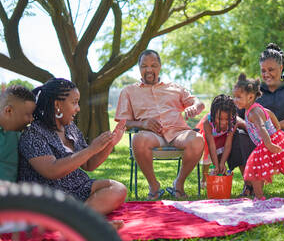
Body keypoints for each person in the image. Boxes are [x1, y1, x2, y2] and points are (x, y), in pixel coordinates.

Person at [18, 78, 127, 228]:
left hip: (77, 189)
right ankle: (85, 223)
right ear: (57, 105)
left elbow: (89, 164)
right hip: (49, 196)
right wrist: (91, 149)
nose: (78, 108)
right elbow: (52, 170)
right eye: (74, 102)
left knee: (118, 189)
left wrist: (110, 144)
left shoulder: (70, 129)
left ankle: (79, 220)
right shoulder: (33, 134)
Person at [115, 49, 205, 199]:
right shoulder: (129, 91)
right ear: (139, 68)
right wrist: (143, 123)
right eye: (144, 66)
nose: (149, 69)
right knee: (138, 139)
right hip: (152, 135)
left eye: (153, 65)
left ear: (160, 67)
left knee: (197, 139)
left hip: (178, 133)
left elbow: (199, 103)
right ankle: (154, 186)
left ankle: (179, 183)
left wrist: (194, 106)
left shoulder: (175, 88)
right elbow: (123, 123)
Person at [233, 74, 284, 200]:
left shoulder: (253, 112)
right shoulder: (256, 108)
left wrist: (269, 144)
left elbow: (261, 127)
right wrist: (277, 126)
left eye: (238, 97)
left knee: (255, 171)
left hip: (268, 143)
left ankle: (259, 198)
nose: (235, 100)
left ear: (250, 97)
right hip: (274, 139)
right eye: (235, 96)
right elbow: (269, 113)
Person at [196, 94, 255, 195]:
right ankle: (204, 179)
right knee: (208, 158)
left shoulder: (232, 121)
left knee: (221, 160)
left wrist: (222, 163)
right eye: (220, 119)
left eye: (226, 119)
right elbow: (211, 145)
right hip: (212, 138)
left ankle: (249, 184)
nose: (223, 122)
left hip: (225, 136)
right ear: (214, 115)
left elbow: (228, 144)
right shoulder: (208, 122)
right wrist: (216, 165)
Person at [0, 85, 35, 182]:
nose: (31, 119)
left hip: (12, 194)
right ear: (9, 111)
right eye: (28, 114)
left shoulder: (19, 136)